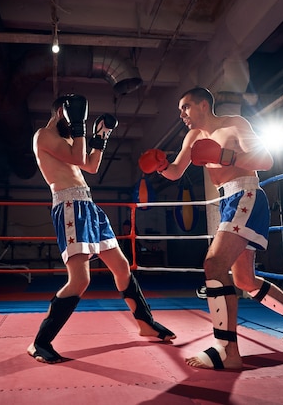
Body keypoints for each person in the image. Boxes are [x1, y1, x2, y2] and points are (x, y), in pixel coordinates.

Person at [139, 87, 283, 370]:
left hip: (246, 195)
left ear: (203, 105)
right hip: (228, 200)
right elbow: (176, 171)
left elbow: (266, 160)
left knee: (214, 264)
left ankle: (227, 349)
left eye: (185, 107)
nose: (181, 114)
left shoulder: (235, 124)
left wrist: (227, 157)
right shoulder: (193, 137)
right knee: (245, 281)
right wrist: (161, 166)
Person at [29, 94, 176, 364]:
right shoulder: (43, 135)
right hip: (69, 206)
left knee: (121, 266)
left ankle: (145, 323)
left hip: (89, 206)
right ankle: (40, 342)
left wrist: (101, 138)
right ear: (61, 111)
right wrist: (81, 127)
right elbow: (77, 156)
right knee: (80, 280)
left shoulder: (70, 140)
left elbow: (91, 166)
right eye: (73, 114)